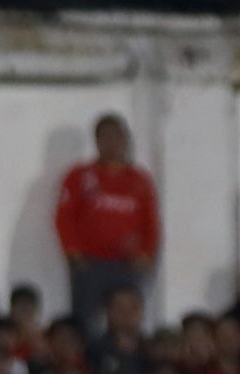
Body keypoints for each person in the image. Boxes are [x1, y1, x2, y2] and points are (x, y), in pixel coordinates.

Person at [54, 114, 160, 337]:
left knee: (126, 326)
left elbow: (151, 223)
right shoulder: (79, 176)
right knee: (87, 326)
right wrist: (73, 253)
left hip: (128, 266)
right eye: (105, 137)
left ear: (125, 139)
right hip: (90, 265)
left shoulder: (140, 180)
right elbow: (64, 217)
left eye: (116, 136)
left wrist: (146, 254)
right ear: (97, 140)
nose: (111, 142)